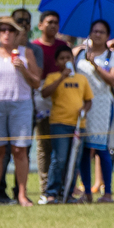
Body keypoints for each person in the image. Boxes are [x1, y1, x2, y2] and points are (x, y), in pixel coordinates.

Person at [0, 16, 40, 207]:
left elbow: (37, 82)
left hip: (20, 104)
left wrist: (23, 69)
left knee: (20, 150)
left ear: (17, 33)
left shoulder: (25, 53)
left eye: (10, 30)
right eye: (1, 30)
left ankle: (21, 194)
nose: (5, 33)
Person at [41, 44, 93, 203]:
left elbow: (88, 100)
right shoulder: (53, 77)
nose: (66, 61)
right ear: (57, 62)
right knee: (60, 158)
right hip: (59, 123)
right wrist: (62, 77)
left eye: (68, 58)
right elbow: (45, 93)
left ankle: (68, 193)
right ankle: (51, 193)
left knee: (74, 161)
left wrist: (84, 109)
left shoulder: (81, 79)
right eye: (62, 59)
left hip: (78, 125)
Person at [77, 19, 114, 203]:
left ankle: (107, 192)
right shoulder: (80, 53)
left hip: (102, 105)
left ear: (107, 35)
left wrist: (95, 64)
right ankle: (86, 191)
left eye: (101, 32)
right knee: (84, 150)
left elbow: (112, 79)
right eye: (94, 31)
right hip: (82, 104)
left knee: (102, 149)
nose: (97, 34)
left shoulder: (112, 56)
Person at [32, 10, 66, 203]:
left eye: (56, 22)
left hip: (63, 98)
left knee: (61, 144)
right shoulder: (35, 47)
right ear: (41, 25)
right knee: (44, 144)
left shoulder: (63, 46)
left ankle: (62, 184)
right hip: (42, 97)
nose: (53, 26)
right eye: (49, 22)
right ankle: (45, 185)